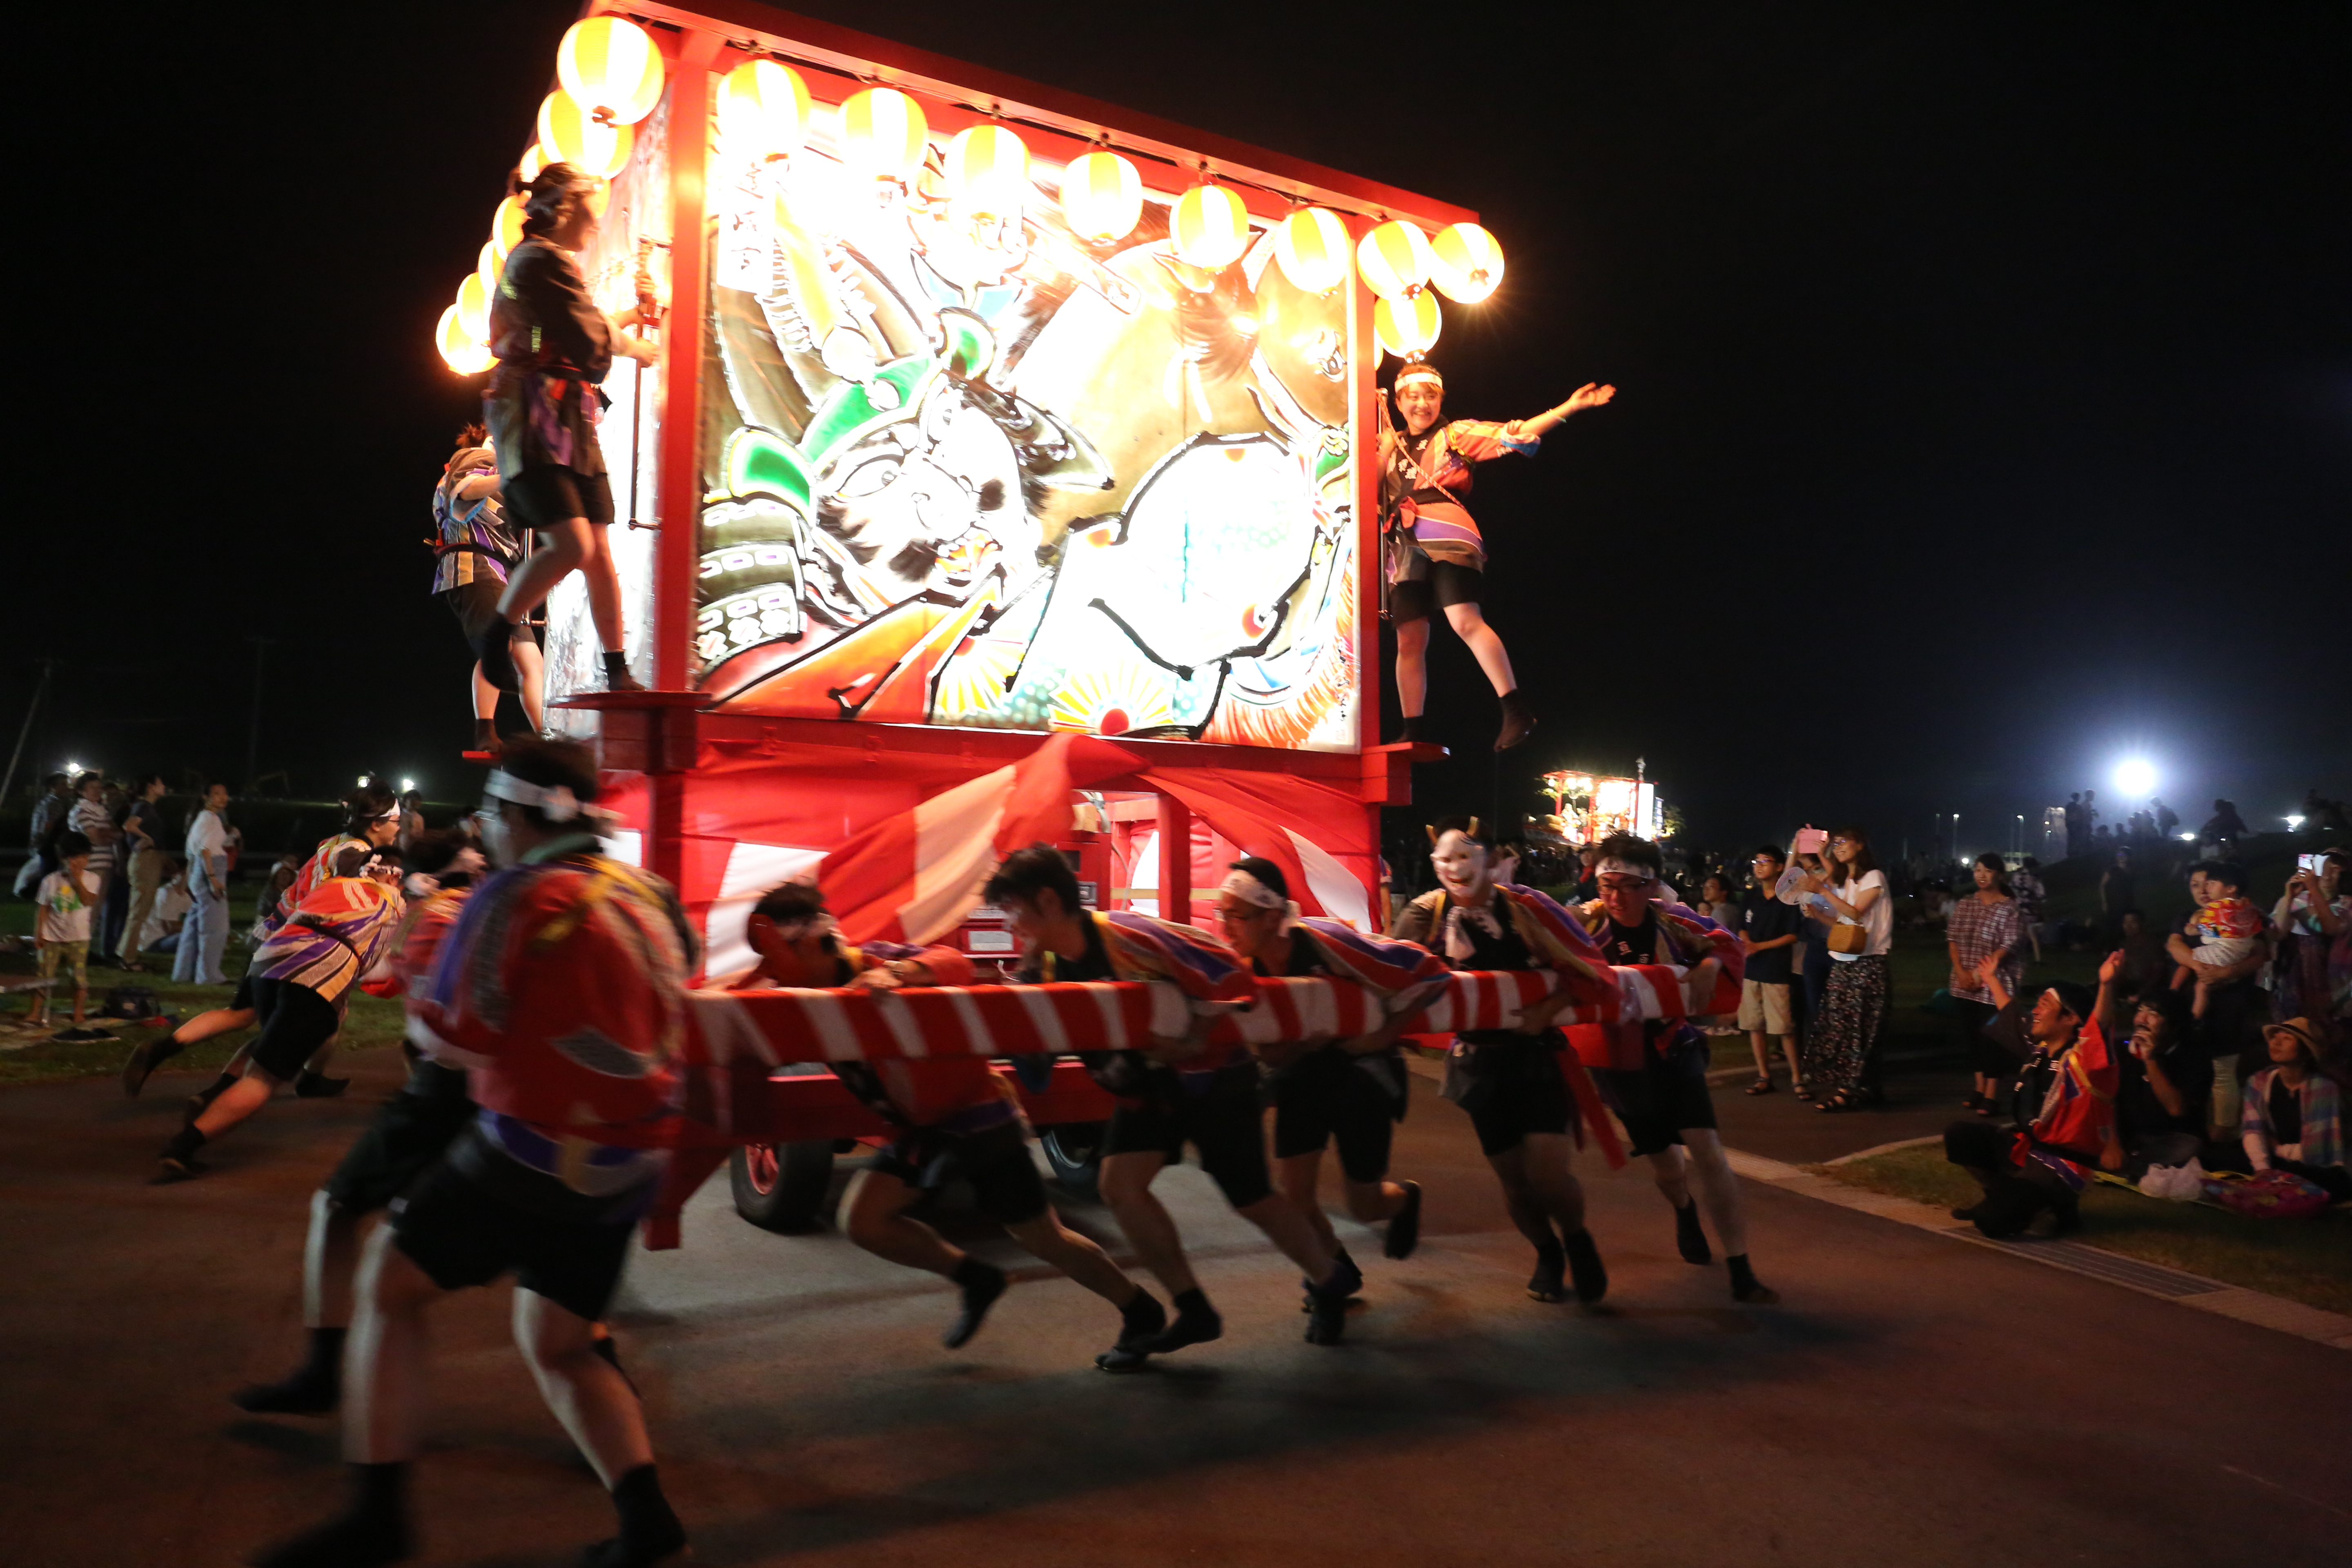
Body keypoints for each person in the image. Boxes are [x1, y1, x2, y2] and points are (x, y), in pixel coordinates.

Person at [256, 740, 694, 1568]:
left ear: (527, 816)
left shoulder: (514, 898)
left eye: (495, 812)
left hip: (537, 1145)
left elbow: (456, 1036)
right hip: (635, 1156)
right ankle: (651, 1528)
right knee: (561, 1340)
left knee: (389, 1284)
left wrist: (428, 983)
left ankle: (379, 1516)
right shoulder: (649, 892)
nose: (486, 828)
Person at [731, 881, 1165, 1356]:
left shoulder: (877, 961)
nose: (768, 972)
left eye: (773, 957)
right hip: (922, 1128)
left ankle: (1140, 1309)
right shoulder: (802, 1000)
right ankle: (976, 1278)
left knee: (1043, 1237)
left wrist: (899, 973)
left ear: (812, 943)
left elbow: (953, 963)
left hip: (979, 1118)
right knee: (864, 1220)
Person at [983, 844, 1364, 1365]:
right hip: (1146, 1089)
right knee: (1119, 1187)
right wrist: (1024, 998)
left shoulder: (1130, 934)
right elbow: (1038, 1070)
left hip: (1215, 1079)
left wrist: (1191, 1039)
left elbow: (1231, 970)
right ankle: (1192, 1309)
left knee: (1251, 1197)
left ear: (1049, 901)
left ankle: (1329, 1280)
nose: (1008, 923)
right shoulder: (1046, 966)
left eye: (1013, 909)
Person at [231, 832, 488, 1415]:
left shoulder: (435, 917)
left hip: (447, 1089)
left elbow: (383, 983)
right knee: (555, 1295)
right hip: (531, 1103)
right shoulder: (513, 902)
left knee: (351, 1222)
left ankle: (326, 1373)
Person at [1394, 817, 1613, 1307]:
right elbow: (1392, 974)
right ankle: (1547, 1253)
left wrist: (1548, 1009)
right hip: (1478, 1062)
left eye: (1465, 857)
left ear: (1491, 862)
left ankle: (1578, 1241)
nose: (1455, 868)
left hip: (1536, 1058)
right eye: (1444, 860)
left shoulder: (1529, 910)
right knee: (1514, 1180)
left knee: (1548, 1174)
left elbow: (1588, 967)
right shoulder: (1423, 915)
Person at [474, 163, 661, 699]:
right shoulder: (535, 261)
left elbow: (572, 325)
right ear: (559, 210)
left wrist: (626, 322)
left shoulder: (541, 265)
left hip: (563, 417)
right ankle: (499, 630)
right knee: (574, 544)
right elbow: (582, 333)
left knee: (596, 551)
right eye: (588, 212)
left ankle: (617, 669)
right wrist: (631, 342)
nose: (595, 226)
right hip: (534, 416)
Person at [1213, 858, 1446, 1283]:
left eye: (1234, 916)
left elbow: (1429, 972)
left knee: (1364, 1205)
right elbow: (1269, 1055)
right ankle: (1333, 1277)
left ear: (1270, 916)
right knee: (1295, 1198)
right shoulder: (1246, 973)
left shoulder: (1330, 944)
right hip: (1302, 1079)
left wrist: (1384, 1034)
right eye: (1221, 914)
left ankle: (1403, 1202)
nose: (1225, 927)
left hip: (1362, 1075)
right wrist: (1303, 1042)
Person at [1571, 834, 1775, 1304]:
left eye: (1627, 885)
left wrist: (1707, 965)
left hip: (1673, 1048)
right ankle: (1684, 1209)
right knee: (1666, 1165)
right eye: (1606, 885)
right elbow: (1538, 949)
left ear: (1652, 886)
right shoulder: (1581, 928)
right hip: (1618, 1062)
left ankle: (1742, 1269)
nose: (1614, 897)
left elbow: (1727, 945)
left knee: (1708, 1152)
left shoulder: (1674, 922)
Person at [1376, 362, 1615, 750]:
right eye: (1414, 397)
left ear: (1441, 400)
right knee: (1408, 639)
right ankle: (1412, 731)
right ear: (1400, 402)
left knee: (1465, 621)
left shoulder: (1454, 434)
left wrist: (1569, 408)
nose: (1423, 404)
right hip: (1401, 543)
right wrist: (1384, 450)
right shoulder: (1390, 444)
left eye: (1431, 396)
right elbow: (1366, 490)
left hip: (1446, 529)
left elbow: (1512, 433)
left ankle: (1515, 708)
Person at [152, 838, 405, 1183]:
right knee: (262, 1078)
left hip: (266, 965)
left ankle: (211, 1096)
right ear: (391, 876)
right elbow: (381, 976)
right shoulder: (392, 903)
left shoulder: (332, 885)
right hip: (315, 980)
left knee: (265, 1043)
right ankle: (182, 1148)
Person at [1942, 953, 2120, 1237]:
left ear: (2071, 1018)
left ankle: (2056, 1206)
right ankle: (2000, 1197)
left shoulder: (2084, 1061)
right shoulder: (2041, 1051)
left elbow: (2099, 1027)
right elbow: (2014, 1018)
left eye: (2044, 1005)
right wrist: (1991, 979)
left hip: (2062, 1166)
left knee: (1994, 1225)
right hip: (2029, 1150)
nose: (2035, 1012)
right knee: (1961, 1135)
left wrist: (2106, 985)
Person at [433, 424, 546, 752]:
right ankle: (485, 730)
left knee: (530, 660)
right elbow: (464, 491)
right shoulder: (476, 456)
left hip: (502, 573)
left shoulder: (501, 470)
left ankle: (548, 737)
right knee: (501, 645)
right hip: (477, 567)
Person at [1798, 826, 1893, 1112]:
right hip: (1846, 961)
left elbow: (1855, 913)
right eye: (1835, 843)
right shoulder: (1849, 881)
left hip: (1869, 964)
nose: (1838, 847)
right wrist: (1818, 914)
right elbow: (1845, 925)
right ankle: (1865, 1088)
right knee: (1842, 1026)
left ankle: (1849, 1090)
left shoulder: (1873, 878)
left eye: (1844, 842)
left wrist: (1823, 891)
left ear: (1861, 845)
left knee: (1860, 1028)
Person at [1947, 853, 2025, 1117]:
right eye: (1977, 870)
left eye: (1987, 871)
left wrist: (1982, 974)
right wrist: (1961, 972)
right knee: (1971, 1038)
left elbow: (2009, 945)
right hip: (1963, 982)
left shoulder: (2009, 908)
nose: (1981, 875)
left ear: (1999, 875)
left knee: (1992, 1039)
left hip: (1994, 984)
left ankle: (1992, 1094)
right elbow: (1953, 939)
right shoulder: (1965, 904)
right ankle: (1979, 1089)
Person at [2108, 984, 2216, 1175]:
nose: (2142, 1020)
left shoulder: (2194, 1057)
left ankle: (2140, 1166)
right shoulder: (2122, 1051)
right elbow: (2109, 1102)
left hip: (2173, 1137)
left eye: (2154, 1014)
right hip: (2132, 1135)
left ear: (2173, 1024)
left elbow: (2176, 1109)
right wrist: (2113, 1145)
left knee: (2188, 1148)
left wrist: (2150, 1060)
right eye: (2140, 1011)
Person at [2240, 1018, 2349, 1200]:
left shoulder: (2323, 1088)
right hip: (2273, 1161)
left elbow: (2319, 1150)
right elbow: (2253, 1129)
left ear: (2306, 1053)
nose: (2276, 1042)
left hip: (2311, 1164)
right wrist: (2262, 1168)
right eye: (2275, 1037)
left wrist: (2278, 1150)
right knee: (2220, 1157)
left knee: (2333, 1181)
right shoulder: (2259, 1082)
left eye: (2288, 1039)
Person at [1737, 844, 1805, 1094]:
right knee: (1755, 1025)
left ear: (1779, 867)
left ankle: (1798, 1078)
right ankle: (1764, 1075)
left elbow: (1792, 936)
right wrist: (1747, 942)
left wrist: (1758, 946)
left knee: (1784, 1027)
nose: (1759, 866)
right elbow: (1741, 925)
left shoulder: (1787, 899)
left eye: (1766, 861)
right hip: (1752, 969)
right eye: (1756, 861)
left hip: (1776, 970)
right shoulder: (1751, 896)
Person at [2269, 850, 2348, 1030]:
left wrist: (2314, 889)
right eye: (2324, 867)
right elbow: (2276, 934)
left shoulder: (2346, 903)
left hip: (2332, 975)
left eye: (2336, 869)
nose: (2329, 874)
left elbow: (2332, 929)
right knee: (2294, 1024)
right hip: (2293, 972)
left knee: (2329, 1026)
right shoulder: (2296, 901)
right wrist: (2289, 896)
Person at [29, 832, 98, 1033]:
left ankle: (78, 1011)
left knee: (78, 977)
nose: (81, 862)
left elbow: (88, 901)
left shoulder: (92, 879)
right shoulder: (51, 881)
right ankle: (35, 1012)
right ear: (64, 859)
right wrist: (39, 933)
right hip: (52, 937)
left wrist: (77, 881)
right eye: (76, 858)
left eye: (85, 857)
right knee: (44, 975)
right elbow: (43, 907)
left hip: (79, 938)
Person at [173, 782, 236, 985]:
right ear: (206, 797)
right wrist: (213, 878)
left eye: (225, 793)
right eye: (217, 794)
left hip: (200, 875)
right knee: (215, 929)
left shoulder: (203, 819)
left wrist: (191, 880)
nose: (223, 798)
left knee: (193, 928)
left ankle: (184, 973)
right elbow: (205, 850)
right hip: (210, 871)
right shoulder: (210, 819)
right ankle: (208, 975)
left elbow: (193, 852)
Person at [114, 774, 170, 971]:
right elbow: (129, 826)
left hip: (149, 861)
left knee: (140, 911)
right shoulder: (143, 806)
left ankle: (127, 954)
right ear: (151, 787)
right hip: (145, 861)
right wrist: (147, 838)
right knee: (138, 912)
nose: (164, 786)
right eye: (161, 783)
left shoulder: (147, 808)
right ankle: (128, 959)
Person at [66, 775, 119, 951]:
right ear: (81, 791)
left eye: (99, 787)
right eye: (92, 788)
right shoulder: (82, 812)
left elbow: (115, 833)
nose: (98, 791)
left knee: (94, 911)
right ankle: (77, 949)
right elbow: (95, 838)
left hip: (103, 864)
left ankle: (83, 949)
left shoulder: (101, 811)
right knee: (86, 910)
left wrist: (108, 833)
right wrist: (109, 834)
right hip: (91, 866)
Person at [2098, 847, 2137, 942]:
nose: (2121, 858)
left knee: (2125, 921)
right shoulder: (2112, 870)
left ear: (2129, 857)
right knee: (2112, 922)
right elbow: (2102, 885)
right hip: (2113, 901)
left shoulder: (2131, 870)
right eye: (2119, 855)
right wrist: (2105, 902)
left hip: (2126, 901)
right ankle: (2109, 943)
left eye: (2123, 855)